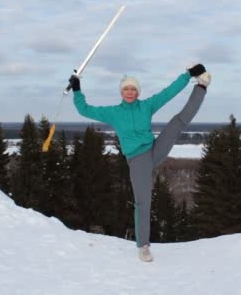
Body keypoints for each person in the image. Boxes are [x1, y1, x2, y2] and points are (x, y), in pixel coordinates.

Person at [69, 64, 211, 262]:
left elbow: (168, 93)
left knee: (177, 122)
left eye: (133, 89)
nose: (129, 92)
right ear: (121, 92)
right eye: (126, 89)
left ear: (137, 92)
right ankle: (143, 246)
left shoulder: (146, 106)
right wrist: (77, 89)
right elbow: (84, 109)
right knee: (143, 201)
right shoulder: (113, 113)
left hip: (154, 149)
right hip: (137, 160)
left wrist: (188, 75)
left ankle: (202, 87)